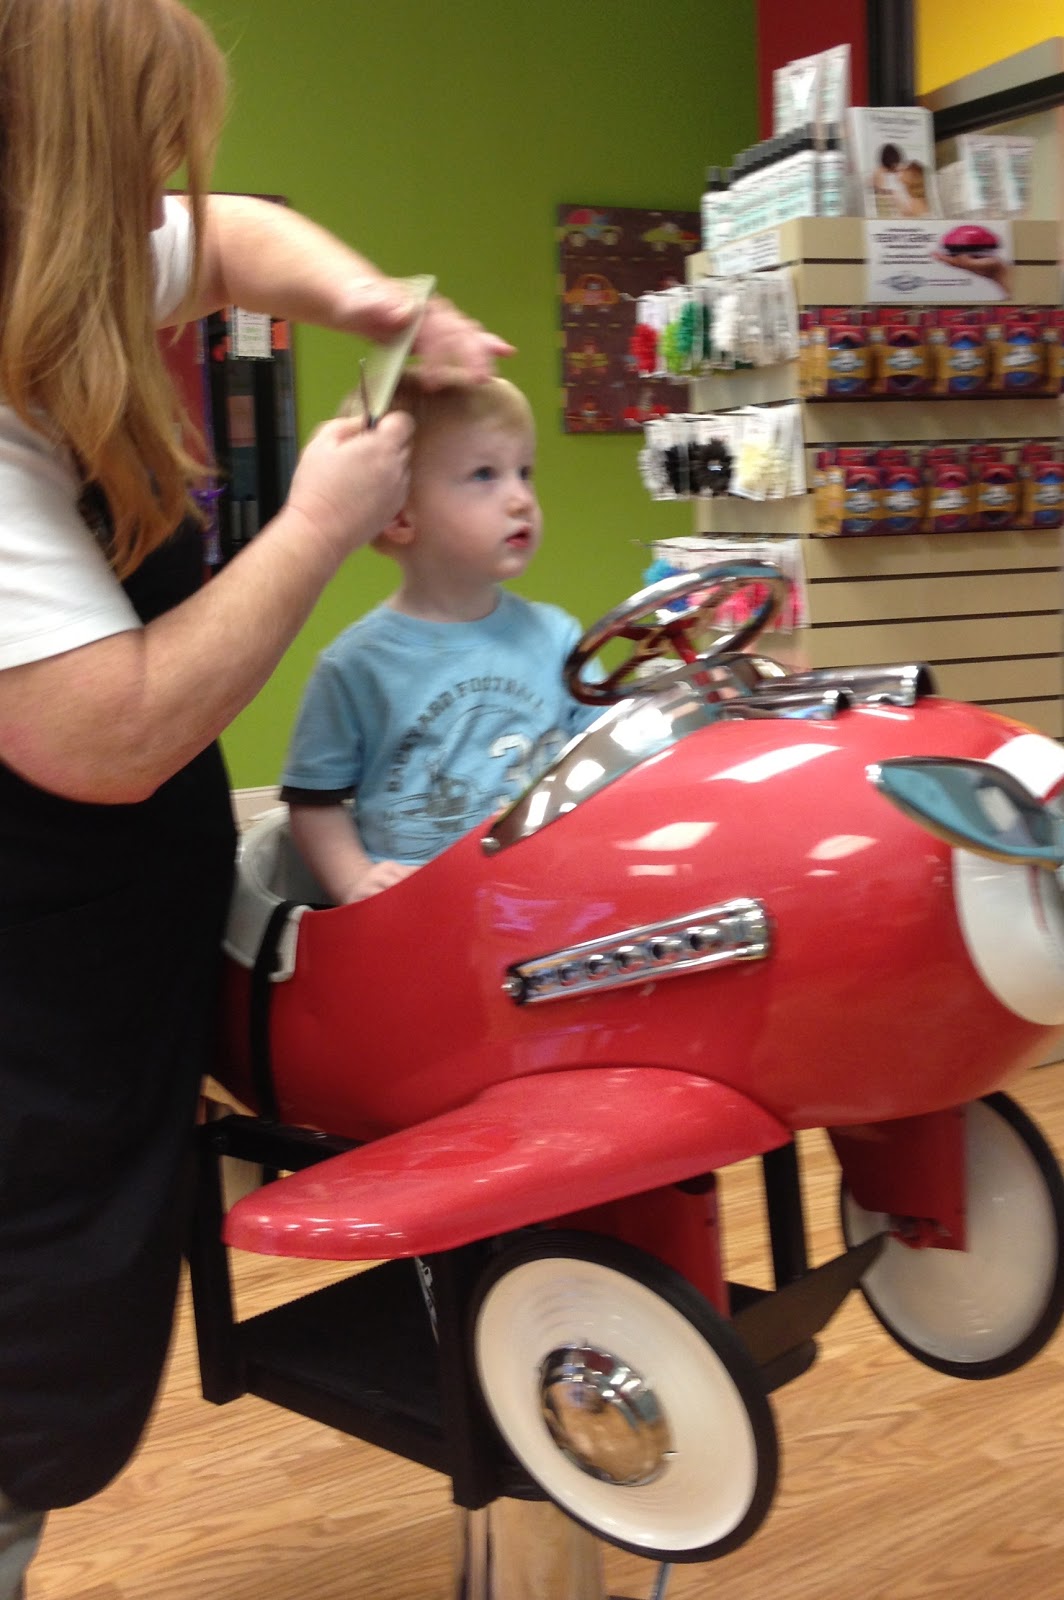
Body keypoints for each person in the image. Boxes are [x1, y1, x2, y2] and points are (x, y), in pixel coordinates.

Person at [0, 2, 512, 1595]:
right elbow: (105, 735)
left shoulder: (56, 247)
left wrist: (376, 301)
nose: (161, 194)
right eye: (139, 153)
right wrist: (313, 525)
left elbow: (232, 237)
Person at [281, 376, 599, 903]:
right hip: (417, 906)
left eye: (524, 472)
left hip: (543, 895)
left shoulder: (559, 637)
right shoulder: (355, 666)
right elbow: (314, 801)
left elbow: (608, 757)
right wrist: (354, 879)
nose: (521, 499)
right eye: (484, 474)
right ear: (399, 515)